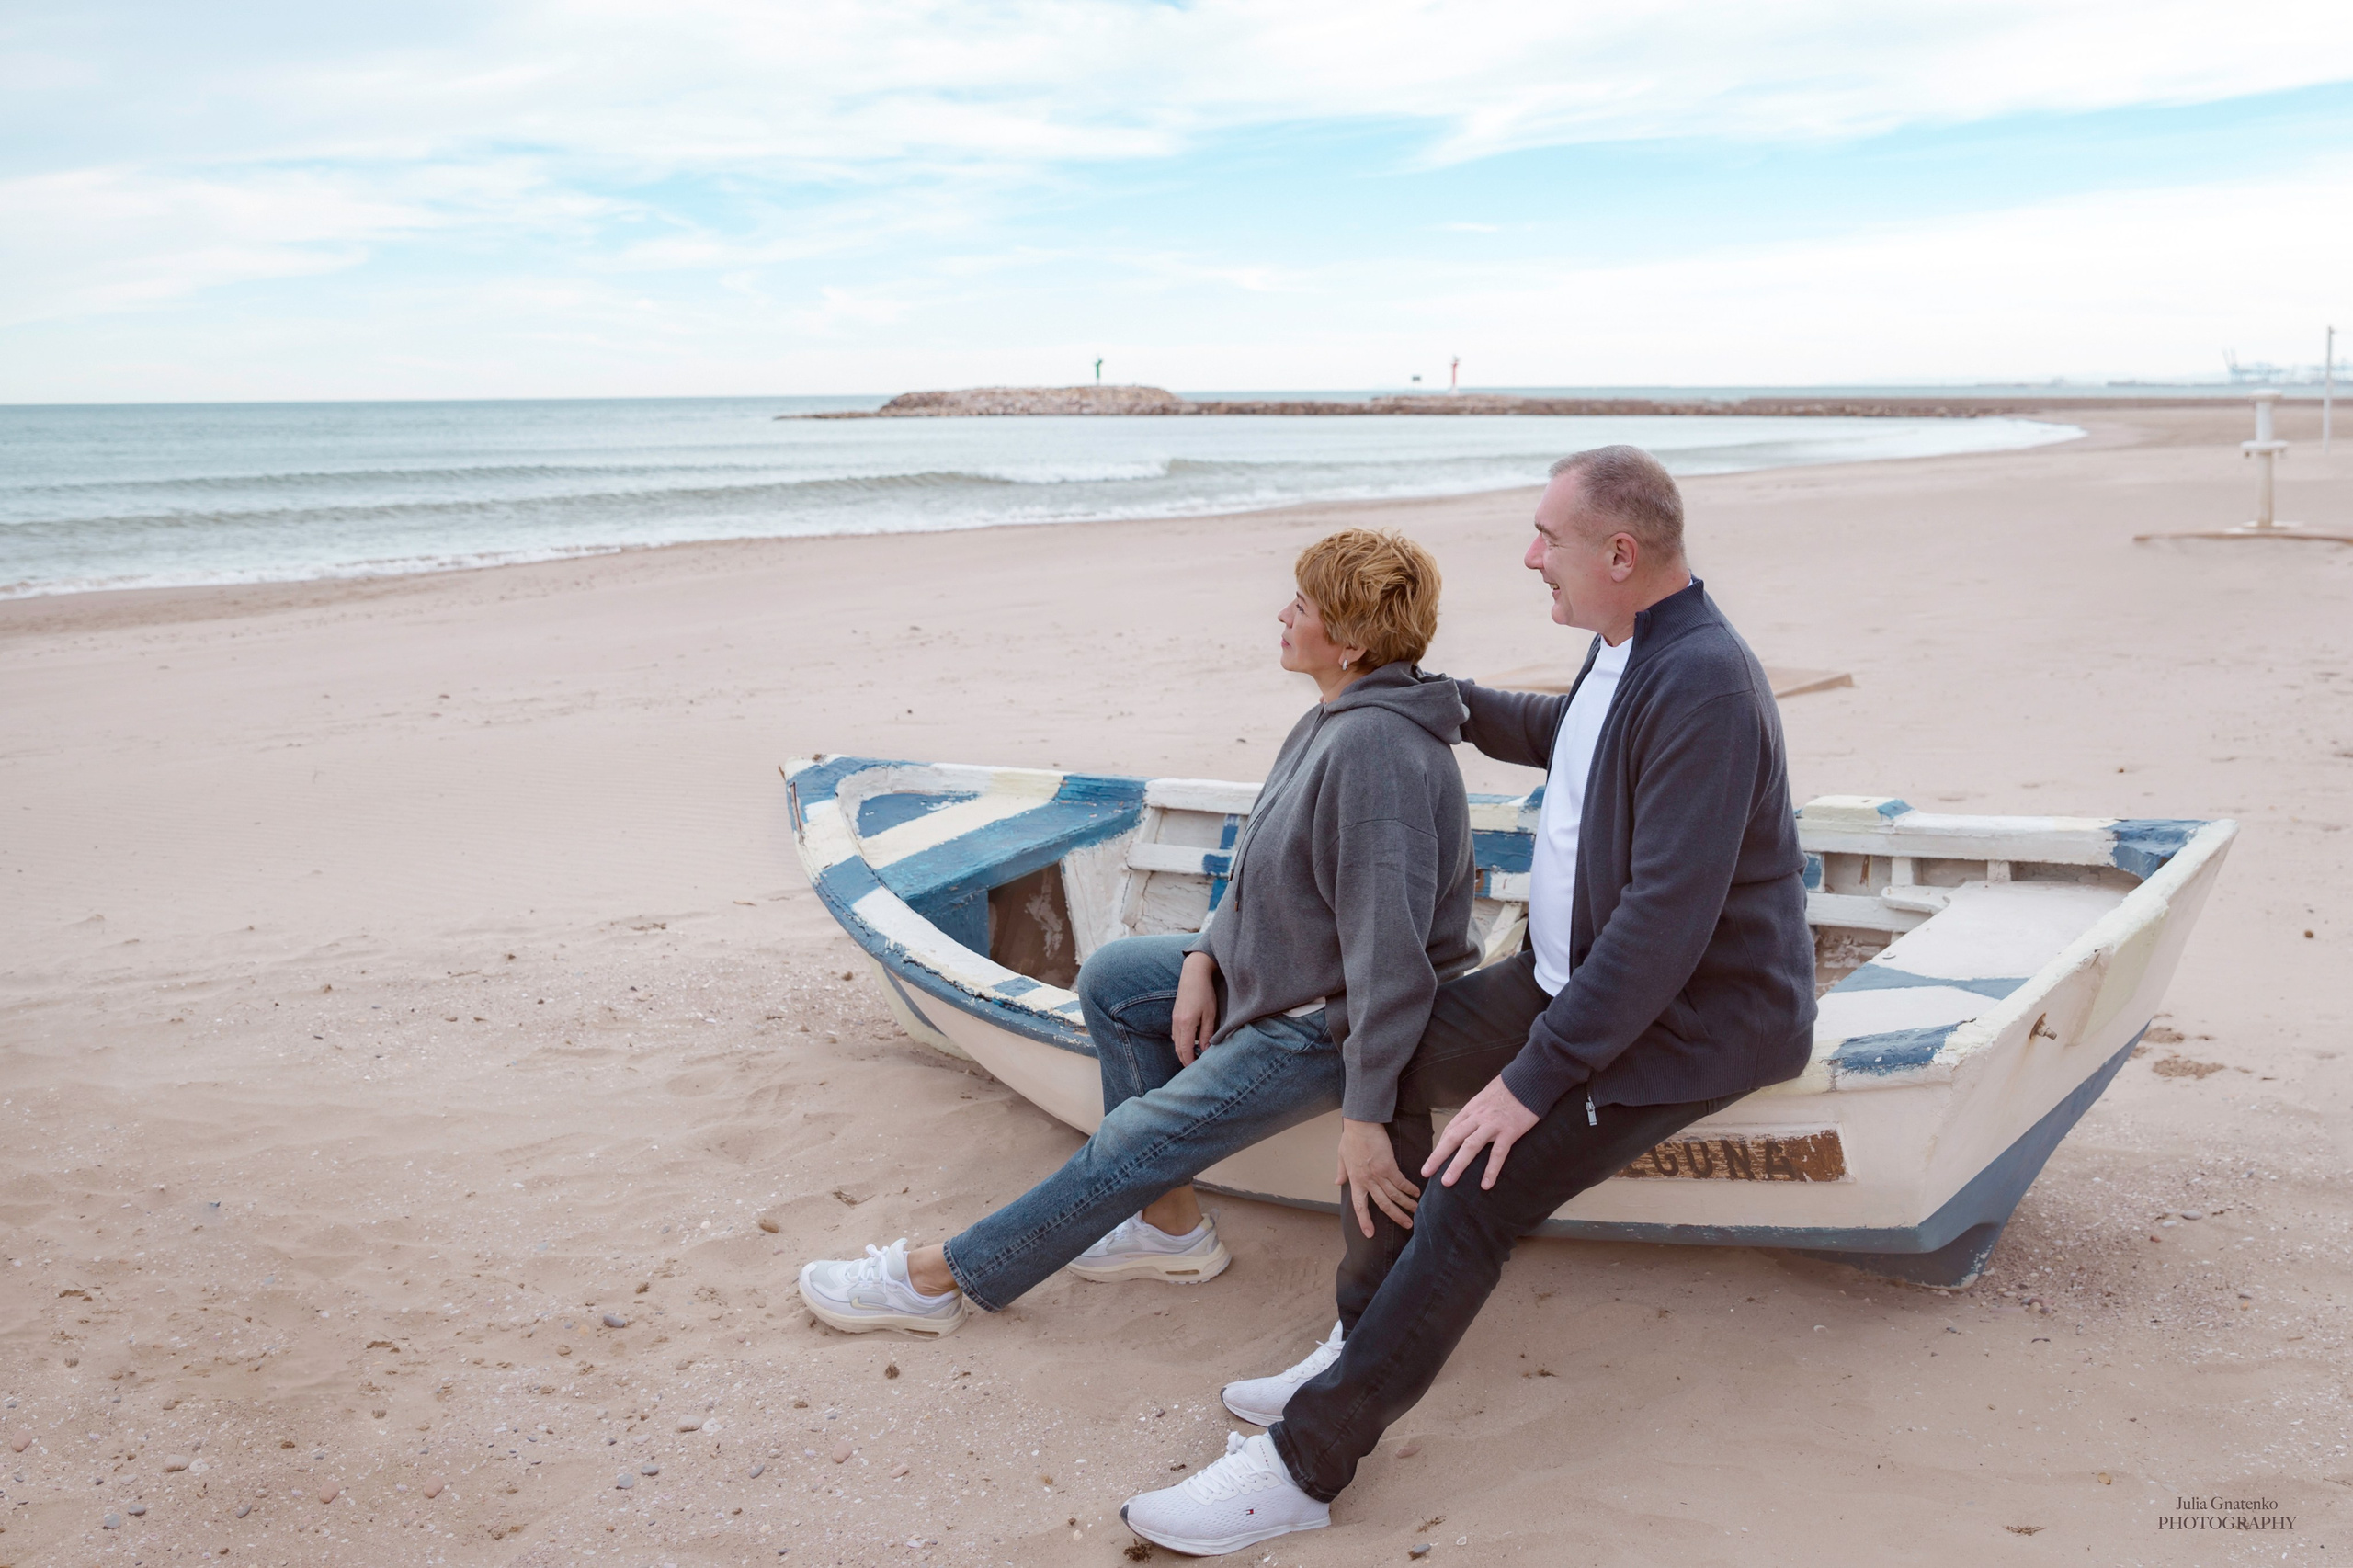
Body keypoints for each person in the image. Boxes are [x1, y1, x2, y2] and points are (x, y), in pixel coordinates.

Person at [1121, 446, 1819, 1555]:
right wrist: (1429, 700)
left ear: (1620, 552)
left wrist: (1529, 1081)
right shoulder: (1623, 647)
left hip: (1691, 1019)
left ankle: (1306, 1463)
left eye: (1549, 537)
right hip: (1571, 980)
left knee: (1471, 1182)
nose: (1531, 555)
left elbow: (1661, 928)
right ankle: (1363, 1335)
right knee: (1384, 1045)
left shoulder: (1704, 684)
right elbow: (1561, 737)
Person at [797, 528, 1480, 1337]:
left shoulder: (1377, 752)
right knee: (1120, 980)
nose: (1281, 615)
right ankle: (1168, 1226)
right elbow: (1268, 865)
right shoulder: (1335, 716)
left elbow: (1389, 958)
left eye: (1301, 606)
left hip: (1326, 1022)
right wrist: (1203, 954)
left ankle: (940, 1280)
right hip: (1286, 972)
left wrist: (1366, 1118)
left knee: (1135, 1139)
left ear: (1353, 639)